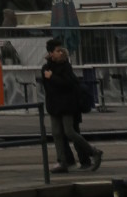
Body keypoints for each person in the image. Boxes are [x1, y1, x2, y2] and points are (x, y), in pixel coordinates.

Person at [40, 37, 102, 173]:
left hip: (67, 106)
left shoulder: (65, 66)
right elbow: (50, 88)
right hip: (54, 106)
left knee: (70, 131)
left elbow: (68, 84)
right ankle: (62, 161)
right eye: (57, 50)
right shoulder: (46, 68)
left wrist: (53, 78)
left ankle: (92, 152)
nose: (60, 52)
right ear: (51, 53)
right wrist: (54, 81)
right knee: (56, 133)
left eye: (61, 50)